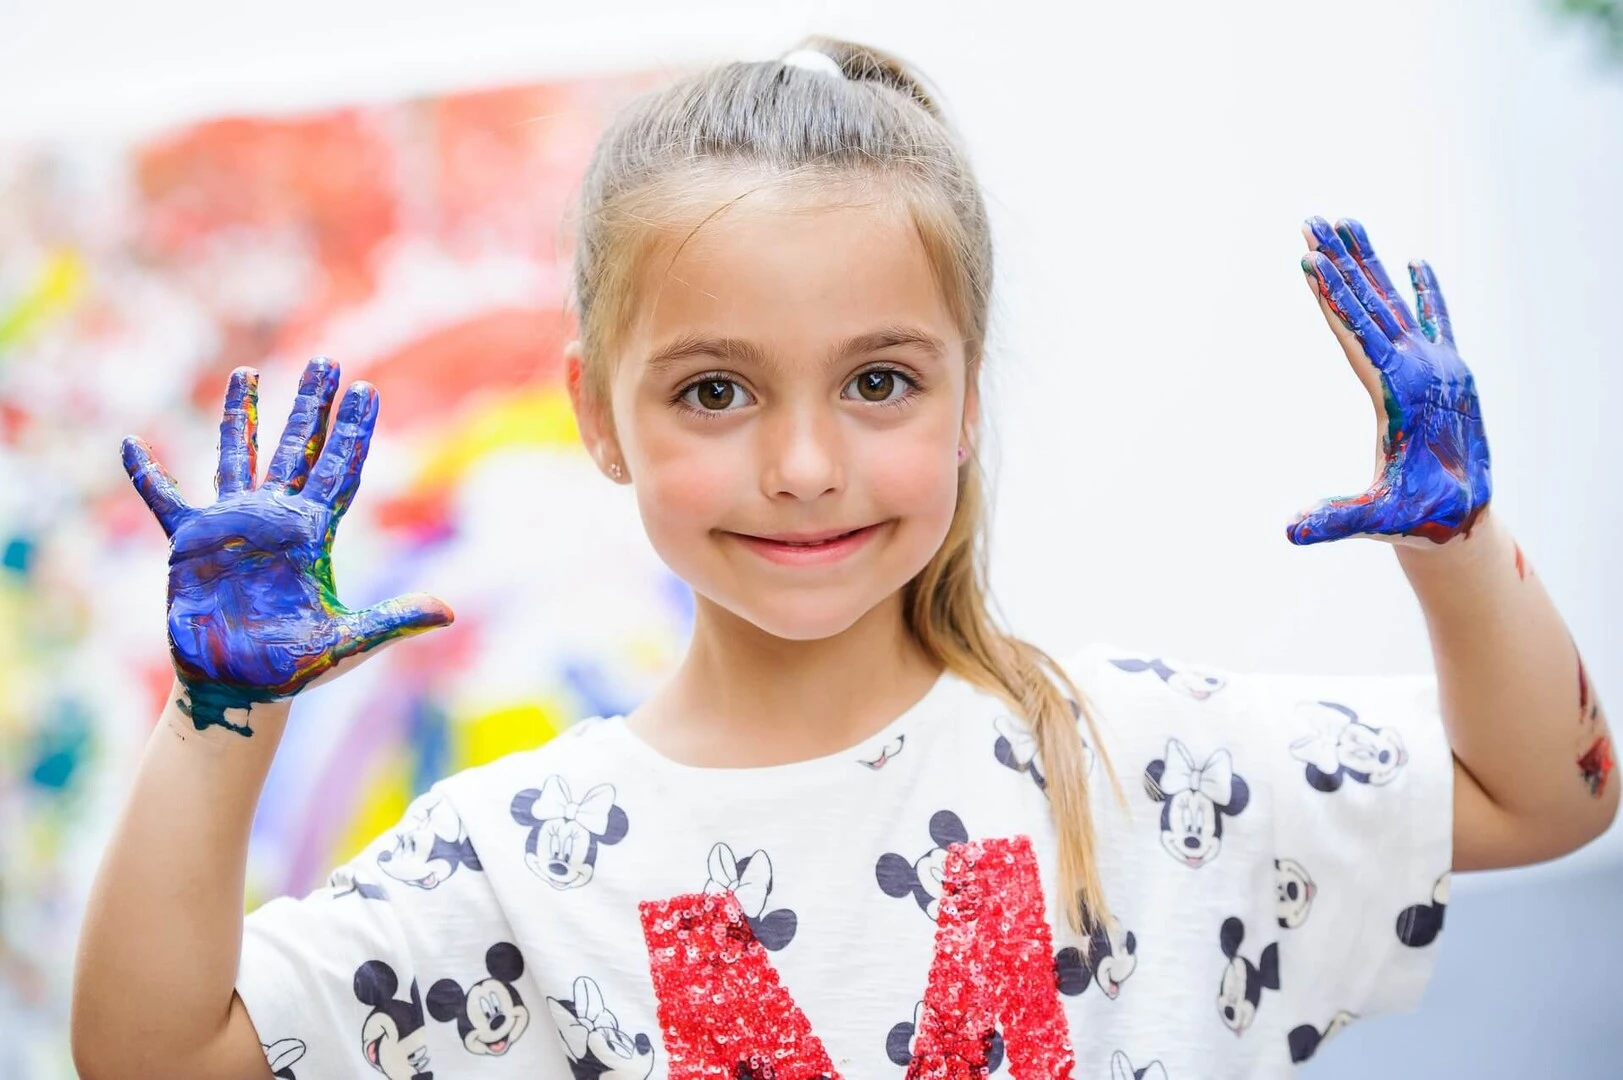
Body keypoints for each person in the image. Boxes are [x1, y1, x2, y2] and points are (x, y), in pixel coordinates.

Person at [71, 34, 1615, 1080]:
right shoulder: (518, 855)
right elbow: (151, 1055)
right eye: (713, 391)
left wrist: (1457, 548)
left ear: (962, 392)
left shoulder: (1137, 754)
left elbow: (1549, 798)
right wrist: (223, 717)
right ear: (593, 417)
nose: (803, 465)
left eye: (878, 382)